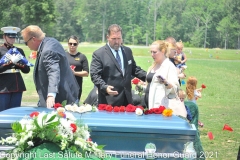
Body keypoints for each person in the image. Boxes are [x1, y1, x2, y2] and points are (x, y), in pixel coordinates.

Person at [21, 25, 79, 108]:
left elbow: (53, 72)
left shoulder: (48, 50)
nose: (27, 45)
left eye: (26, 42)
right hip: (64, 93)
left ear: (33, 39)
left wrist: (51, 94)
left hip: (61, 98)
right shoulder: (51, 41)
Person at [90, 24, 146, 106]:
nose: (117, 42)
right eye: (114, 39)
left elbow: (134, 69)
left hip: (127, 100)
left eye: (119, 38)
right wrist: (105, 87)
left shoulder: (127, 51)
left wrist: (149, 76)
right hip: (109, 100)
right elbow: (95, 75)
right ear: (107, 37)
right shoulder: (99, 54)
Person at [0, 26, 30, 111]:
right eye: (10, 37)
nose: (12, 39)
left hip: (17, 85)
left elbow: (26, 70)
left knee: (15, 112)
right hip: (3, 86)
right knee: (3, 112)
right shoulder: (0, 50)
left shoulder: (19, 50)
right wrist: (10, 63)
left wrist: (18, 63)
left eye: (14, 37)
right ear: (4, 37)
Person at [144, 40, 179, 109]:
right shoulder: (153, 66)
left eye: (154, 52)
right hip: (148, 105)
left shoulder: (169, 66)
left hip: (161, 107)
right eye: (151, 52)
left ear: (163, 51)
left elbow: (175, 89)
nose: (152, 55)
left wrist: (166, 83)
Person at [66, 35, 89, 105]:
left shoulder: (82, 57)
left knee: (74, 106)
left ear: (77, 44)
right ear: (68, 44)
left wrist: (74, 73)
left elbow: (86, 73)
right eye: (70, 43)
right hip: (64, 86)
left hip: (76, 87)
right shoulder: (63, 55)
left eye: (74, 44)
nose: (72, 45)